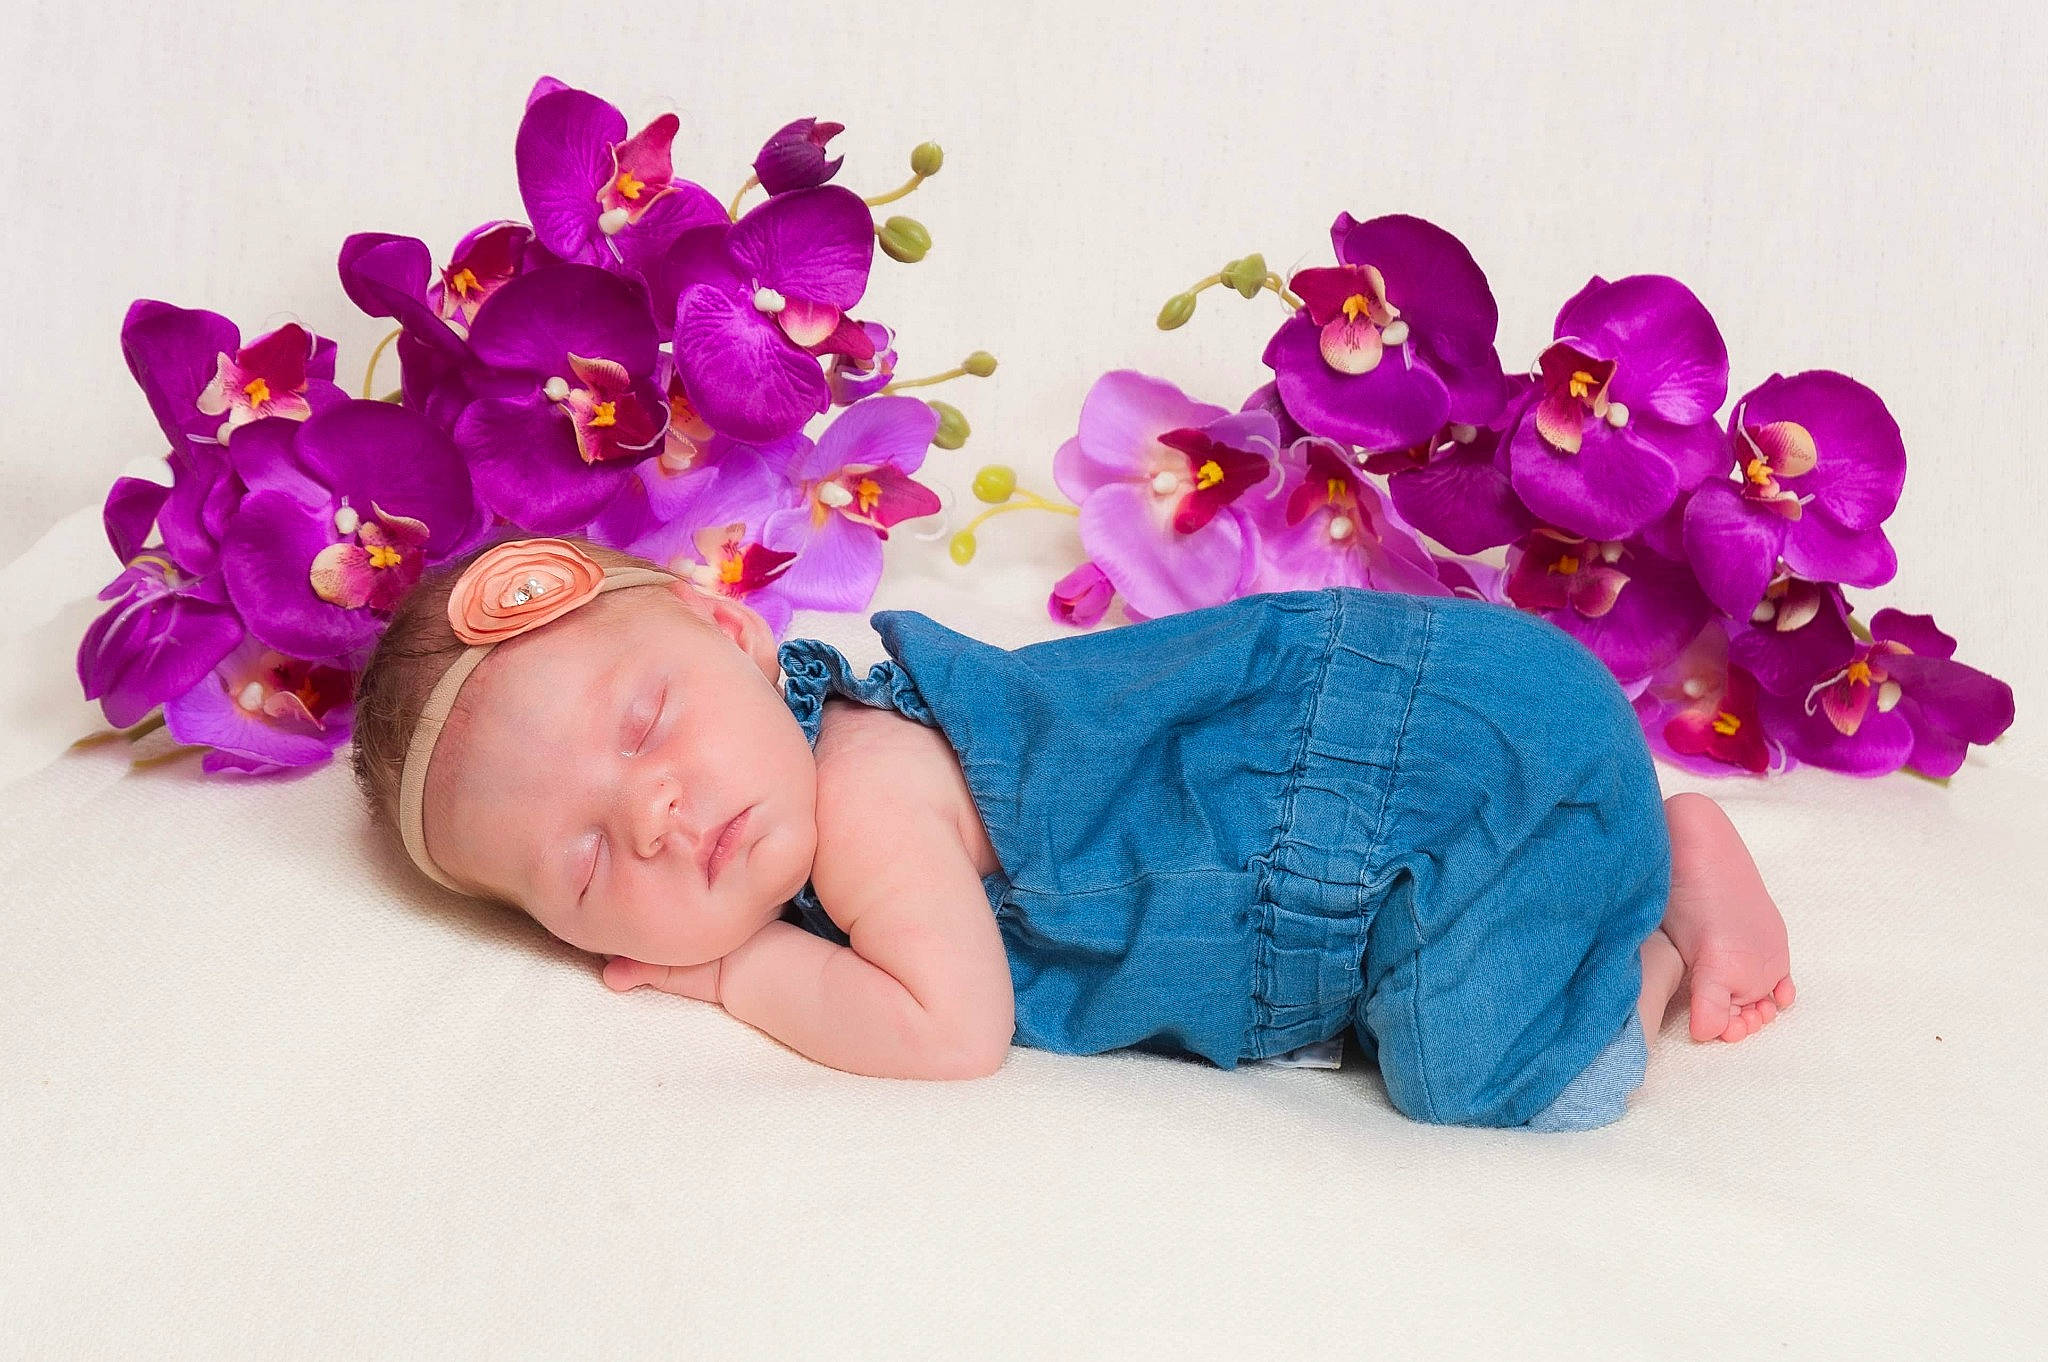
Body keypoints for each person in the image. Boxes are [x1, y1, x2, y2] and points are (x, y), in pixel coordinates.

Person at [350, 534, 1794, 1130]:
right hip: (1422, 767)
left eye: (649, 720)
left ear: (736, 629)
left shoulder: (861, 791)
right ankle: (1632, 839)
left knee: (1512, 1085)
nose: (655, 814)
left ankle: (1663, 926)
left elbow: (951, 1024)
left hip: (1430, 778)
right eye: (589, 863)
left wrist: (737, 977)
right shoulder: (819, 780)